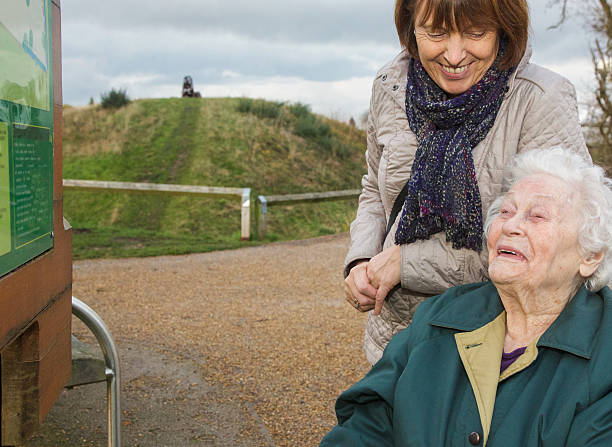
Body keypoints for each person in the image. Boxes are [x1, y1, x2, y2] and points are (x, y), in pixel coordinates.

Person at [344, 0, 592, 365]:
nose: (455, 55)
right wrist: (362, 260)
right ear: (411, 25)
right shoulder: (390, 88)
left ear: (504, 29)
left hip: (500, 347)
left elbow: (552, 244)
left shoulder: (540, 100)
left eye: (476, 33)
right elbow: (374, 191)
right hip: (398, 340)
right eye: (437, 32)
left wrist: (406, 263)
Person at [323, 148, 612, 446]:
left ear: (590, 255)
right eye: (505, 211)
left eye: (537, 216)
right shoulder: (438, 317)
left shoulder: (605, 358)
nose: (510, 226)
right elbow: (368, 423)